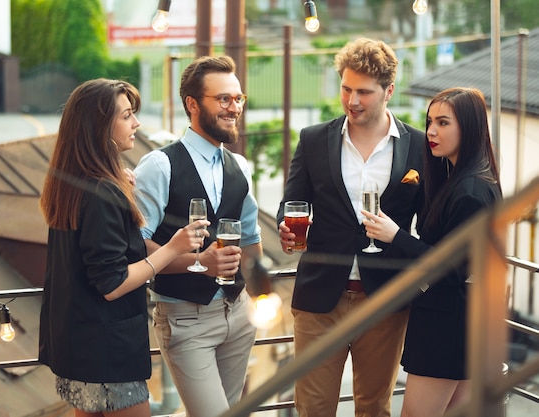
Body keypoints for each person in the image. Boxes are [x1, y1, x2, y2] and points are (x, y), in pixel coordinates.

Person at [38, 78, 208, 417]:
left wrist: (119, 185)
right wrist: (173, 248)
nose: (136, 123)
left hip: (75, 345)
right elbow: (112, 284)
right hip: (106, 352)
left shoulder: (71, 182)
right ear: (100, 126)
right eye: (127, 115)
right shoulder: (102, 193)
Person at [277, 37, 425, 417]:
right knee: (312, 407)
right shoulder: (312, 140)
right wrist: (285, 227)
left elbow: (430, 227)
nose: (352, 100)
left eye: (364, 92)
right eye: (346, 88)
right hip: (318, 300)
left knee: (374, 408)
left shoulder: (419, 147)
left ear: (389, 90)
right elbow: (291, 203)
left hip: (385, 300)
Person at [133, 55, 263, 417]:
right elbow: (137, 245)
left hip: (238, 314)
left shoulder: (240, 167)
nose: (233, 107)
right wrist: (200, 265)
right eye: (223, 99)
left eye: (238, 98)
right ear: (192, 104)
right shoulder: (160, 165)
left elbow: (251, 239)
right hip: (184, 318)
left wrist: (259, 286)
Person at [362, 87, 502, 417]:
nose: (431, 132)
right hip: (458, 321)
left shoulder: (470, 191)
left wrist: (395, 235)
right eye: (429, 122)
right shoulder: (460, 179)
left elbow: (449, 268)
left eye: (443, 123)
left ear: (468, 128)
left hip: (447, 326)